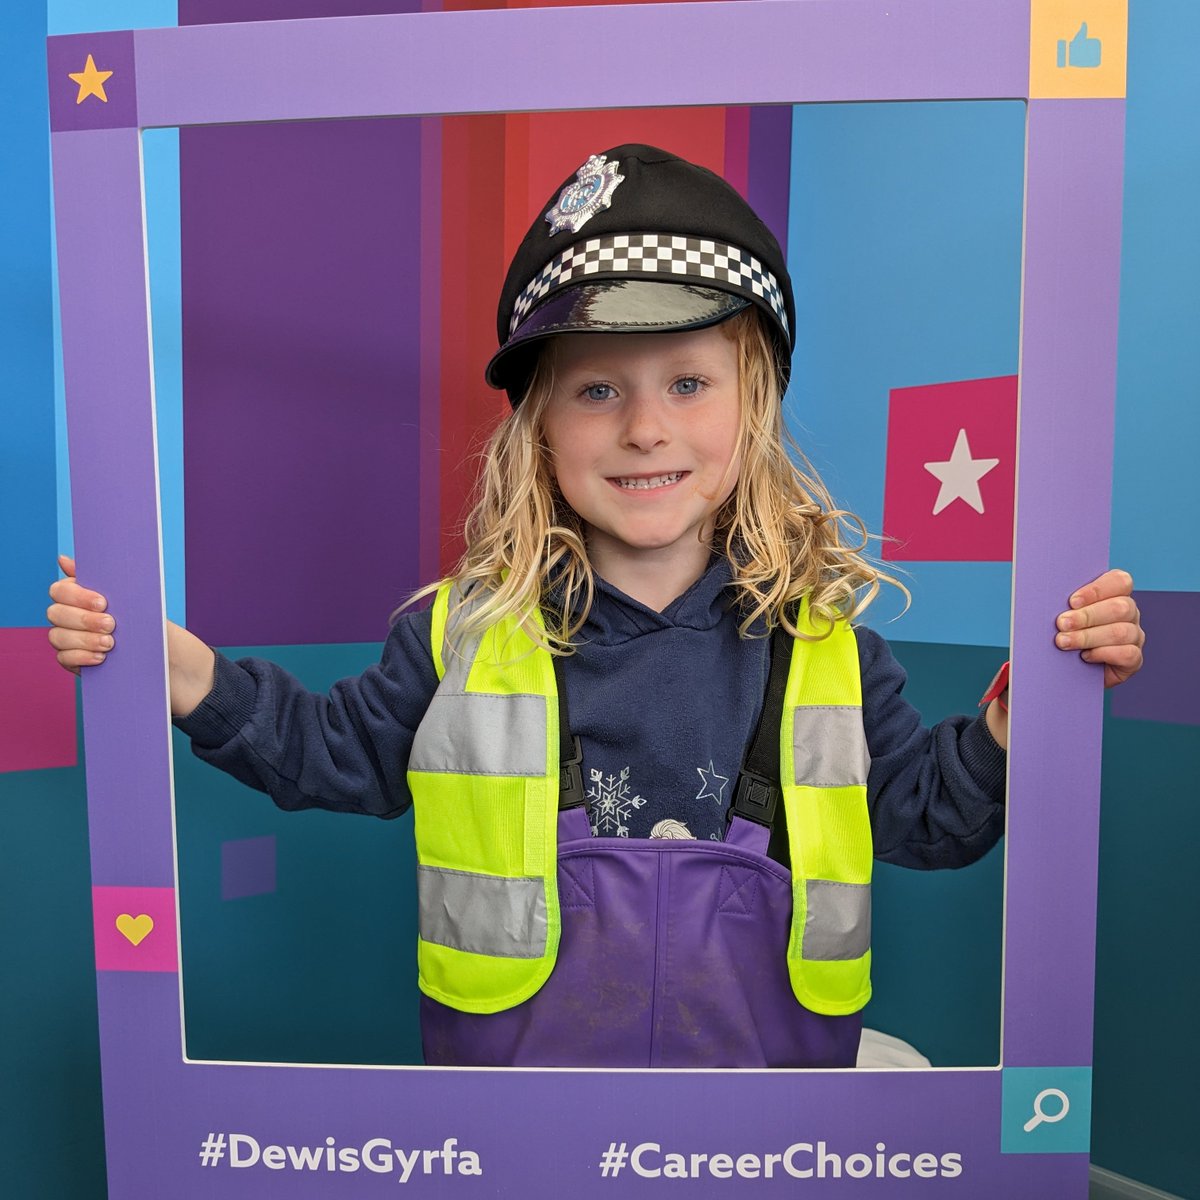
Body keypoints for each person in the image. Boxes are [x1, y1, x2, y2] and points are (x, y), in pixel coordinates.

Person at [47, 145, 1144, 1069]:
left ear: (753, 406)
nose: (645, 427)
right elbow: (327, 753)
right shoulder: (462, 637)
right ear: (540, 428)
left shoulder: (826, 649)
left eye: (688, 382)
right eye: (598, 388)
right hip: (527, 1126)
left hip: (768, 1126)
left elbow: (925, 816)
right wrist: (177, 669)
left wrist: (1024, 717)